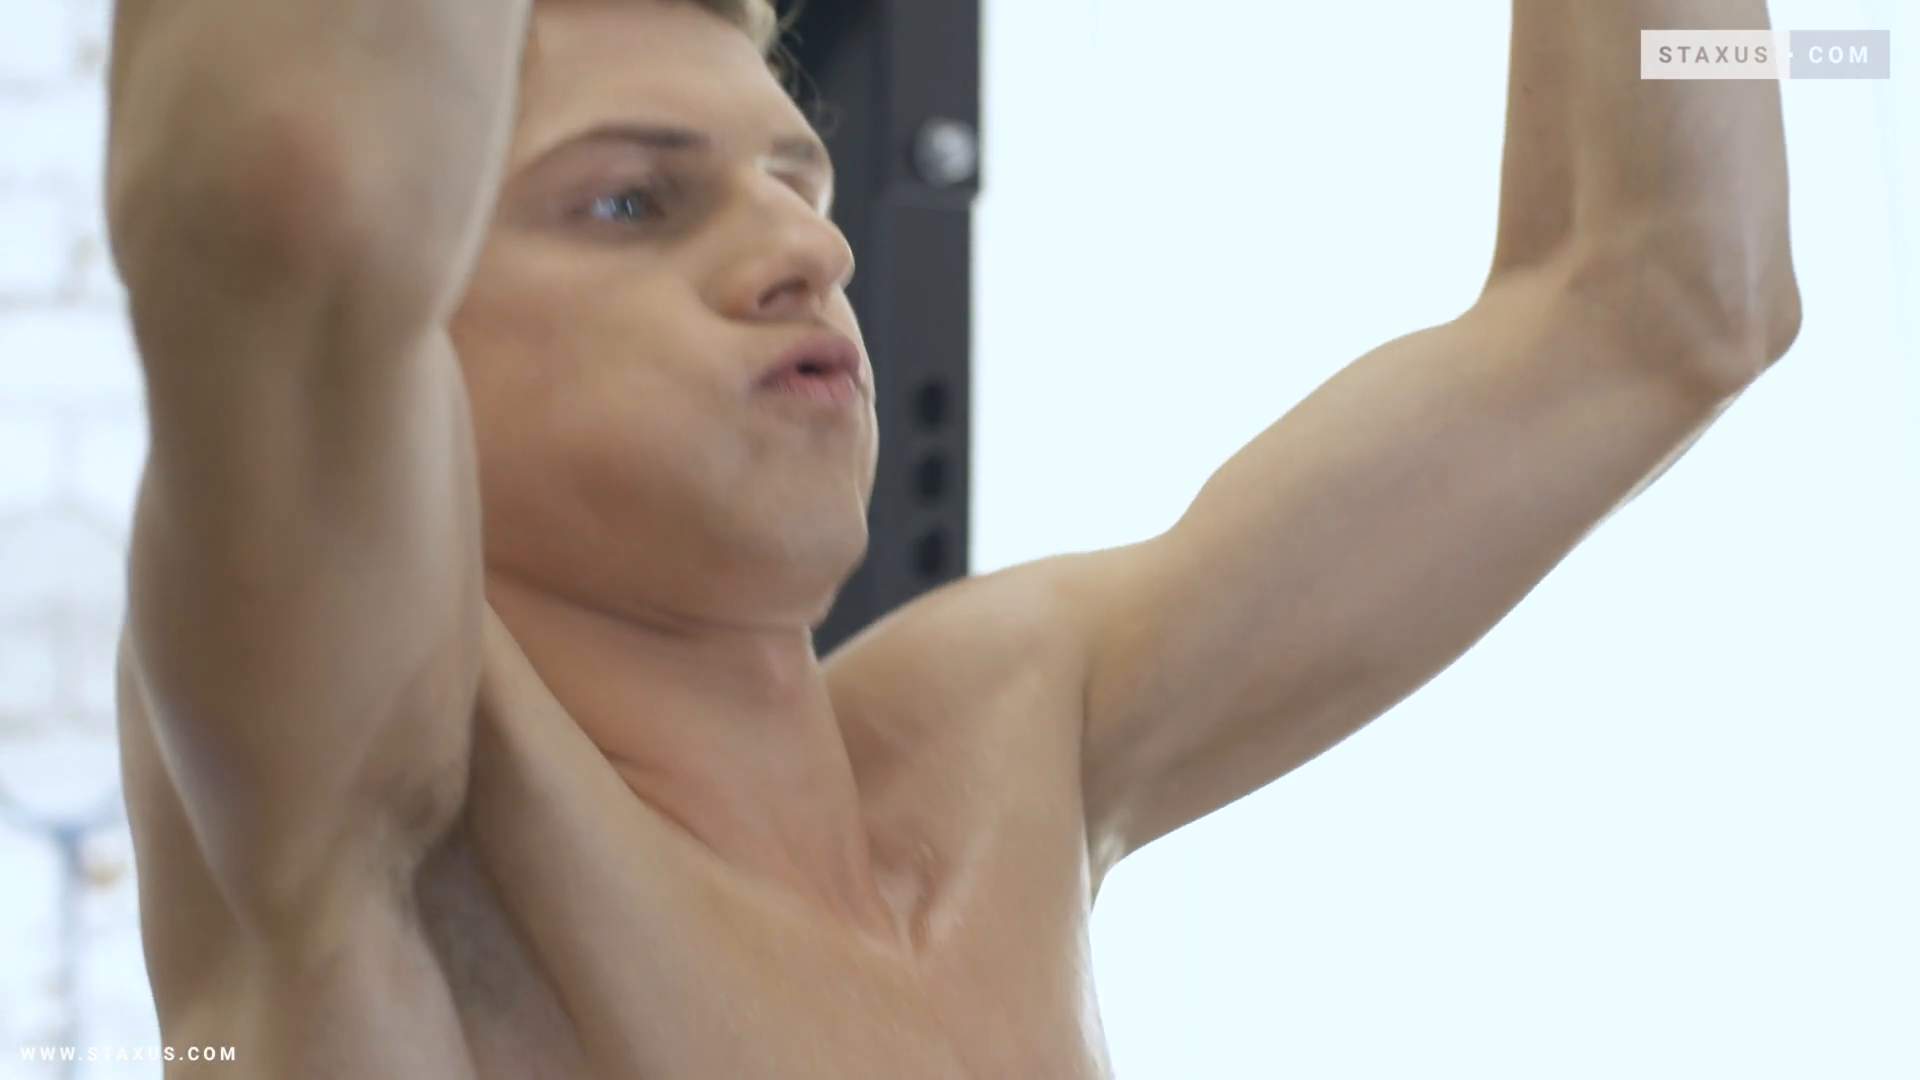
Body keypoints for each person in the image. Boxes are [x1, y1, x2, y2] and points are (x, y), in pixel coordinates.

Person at [104, 0, 1799, 1075]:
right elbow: (290, 175)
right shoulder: (397, 834)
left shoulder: (1004, 732)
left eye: (798, 182)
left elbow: (1663, 303)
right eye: (630, 202)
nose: (804, 250)